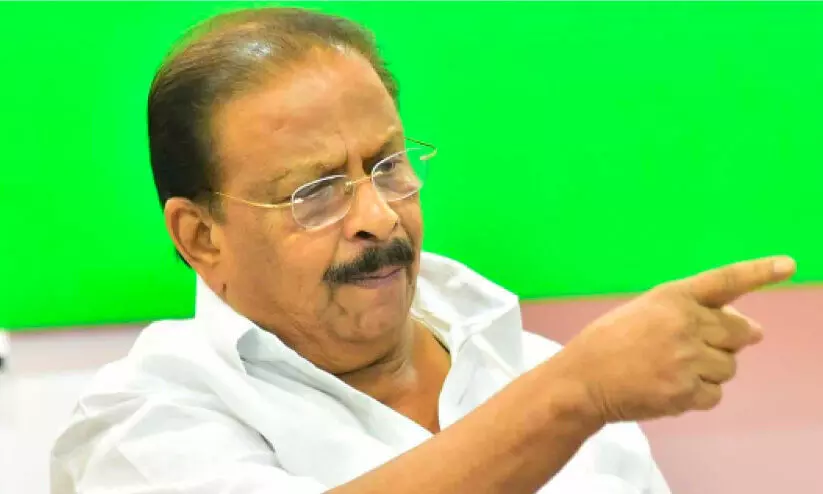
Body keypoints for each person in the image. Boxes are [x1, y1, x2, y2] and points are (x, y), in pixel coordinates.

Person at [50, 7, 796, 494]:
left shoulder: (524, 363)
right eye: (315, 192)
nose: (378, 217)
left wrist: (571, 387)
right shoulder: (137, 425)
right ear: (200, 236)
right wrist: (574, 396)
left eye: (387, 166)